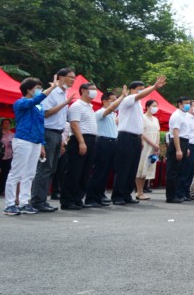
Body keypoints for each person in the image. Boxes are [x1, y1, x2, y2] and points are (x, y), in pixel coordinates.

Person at [4, 76, 60, 215]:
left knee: (29, 174)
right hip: (23, 140)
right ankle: (10, 204)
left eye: (41, 87)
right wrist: (52, 88)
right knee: (16, 173)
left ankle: (24, 203)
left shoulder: (39, 107)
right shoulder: (20, 103)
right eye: (37, 88)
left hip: (36, 142)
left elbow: (40, 125)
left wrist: (42, 144)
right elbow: (36, 99)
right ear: (28, 89)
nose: (40, 90)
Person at [111, 76, 166, 206]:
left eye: (143, 88)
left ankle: (127, 194)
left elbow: (138, 124)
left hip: (136, 138)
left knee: (132, 168)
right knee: (124, 167)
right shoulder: (128, 99)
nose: (142, 91)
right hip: (125, 136)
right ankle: (117, 196)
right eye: (139, 89)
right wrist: (154, 87)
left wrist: (140, 139)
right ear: (132, 90)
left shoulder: (138, 105)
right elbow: (139, 96)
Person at [30, 68, 75, 213]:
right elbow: (45, 114)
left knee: (52, 168)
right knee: (44, 168)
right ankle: (37, 201)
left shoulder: (64, 94)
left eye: (74, 78)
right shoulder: (53, 93)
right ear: (60, 78)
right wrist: (64, 104)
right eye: (70, 77)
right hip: (48, 132)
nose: (73, 80)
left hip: (58, 134)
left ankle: (42, 199)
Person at [84, 87, 127, 207]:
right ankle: (91, 197)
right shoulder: (100, 112)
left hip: (112, 143)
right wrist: (122, 96)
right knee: (99, 171)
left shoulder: (112, 115)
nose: (115, 102)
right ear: (104, 101)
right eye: (112, 100)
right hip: (103, 142)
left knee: (106, 172)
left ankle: (99, 195)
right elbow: (111, 108)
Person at [60, 82, 99, 210]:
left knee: (85, 172)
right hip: (80, 139)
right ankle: (67, 200)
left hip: (91, 139)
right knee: (74, 171)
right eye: (92, 89)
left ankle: (78, 198)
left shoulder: (90, 107)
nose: (95, 92)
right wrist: (81, 142)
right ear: (83, 90)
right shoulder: (77, 105)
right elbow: (74, 124)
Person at [166, 96, 191, 204]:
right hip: (177, 142)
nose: (188, 105)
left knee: (180, 170)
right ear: (179, 104)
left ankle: (177, 194)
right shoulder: (176, 115)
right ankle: (171, 196)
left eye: (189, 103)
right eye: (186, 103)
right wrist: (178, 149)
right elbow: (175, 133)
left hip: (184, 142)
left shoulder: (184, 116)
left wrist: (186, 148)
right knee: (173, 171)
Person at [135, 100, 161, 201]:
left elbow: (157, 133)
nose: (155, 108)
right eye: (153, 106)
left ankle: (141, 191)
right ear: (147, 106)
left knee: (147, 168)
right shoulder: (142, 117)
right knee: (141, 167)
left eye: (156, 106)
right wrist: (152, 144)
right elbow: (142, 133)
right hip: (145, 145)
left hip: (154, 147)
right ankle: (139, 191)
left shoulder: (155, 119)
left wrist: (157, 146)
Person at [178, 100, 194, 201]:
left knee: (191, 170)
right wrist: (186, 147)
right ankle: (181, 192)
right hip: (188, 146)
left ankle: (187, 192)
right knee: (185, 170)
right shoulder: (186, 118)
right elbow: (185, 134)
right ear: (190, 107)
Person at [0, 119, 14, 196]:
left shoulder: (12, 134)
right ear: (2, 125)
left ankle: (1, 189)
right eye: (5, 123)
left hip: (9, 156)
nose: (7, 125)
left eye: (8, 123)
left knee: (5, 174)